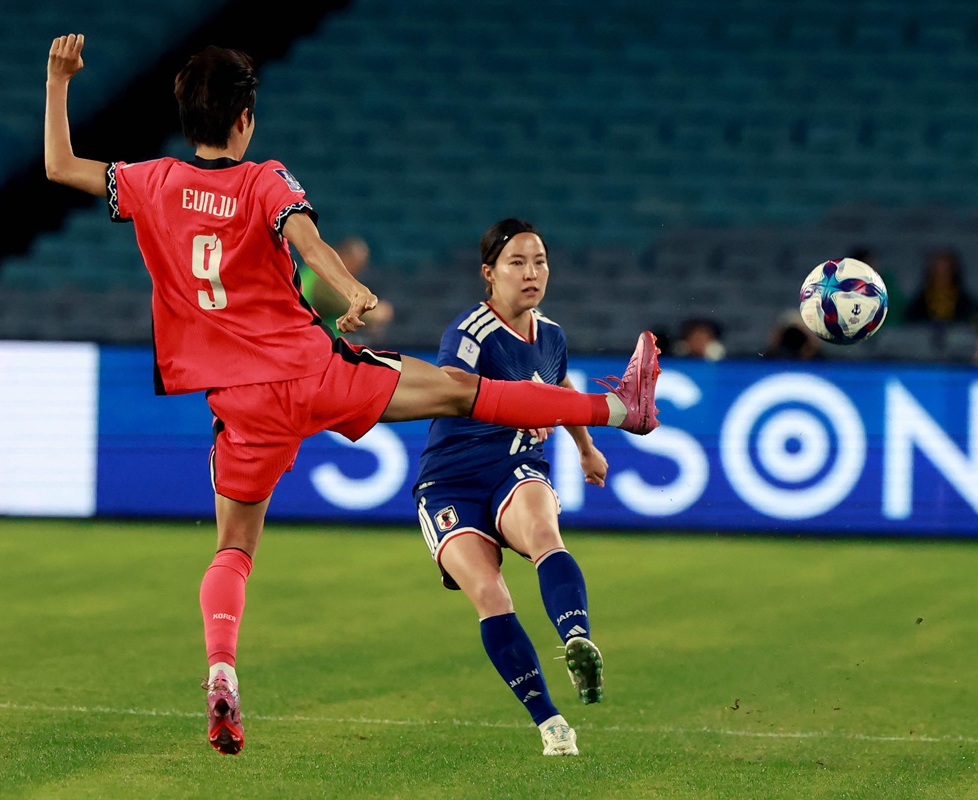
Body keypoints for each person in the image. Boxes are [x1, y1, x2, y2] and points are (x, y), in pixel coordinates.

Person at [44, 34, 662, 756]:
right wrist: (352, 288)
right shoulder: (263, 179)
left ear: (188, 119)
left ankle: (221, 671)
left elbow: (59, 166)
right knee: (466, 392)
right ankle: (619, 408)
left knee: (234, 549)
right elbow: (305, 240)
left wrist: (60, 81)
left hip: (239, 403)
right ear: (245, 119)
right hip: (313, 373)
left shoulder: (149, 182)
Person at [413, 219, 622, 756]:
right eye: (517, 263)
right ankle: (550, 722)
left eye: (540, 261)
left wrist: (583, 446)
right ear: (489, 273)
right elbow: (451, 388)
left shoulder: (551, 334)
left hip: (514, 467)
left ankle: (576, 638)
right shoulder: (470, 332)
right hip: (449, 483)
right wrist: (518, 401)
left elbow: (560, 386)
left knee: (542, 534)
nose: (531, 273)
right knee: (490, 593)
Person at [300, 235, 394, 342]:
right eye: (356, 264)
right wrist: (377, 313)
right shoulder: (324, 278)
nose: (358, 270)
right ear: (341, 257)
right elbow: (348, 308)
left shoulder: (315, 272)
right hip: (308, 341)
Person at [904, 249, 974, 325]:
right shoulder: (917, 306)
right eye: (937, 273)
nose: (942, 278)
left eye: (946, 273)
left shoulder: (967, 304)